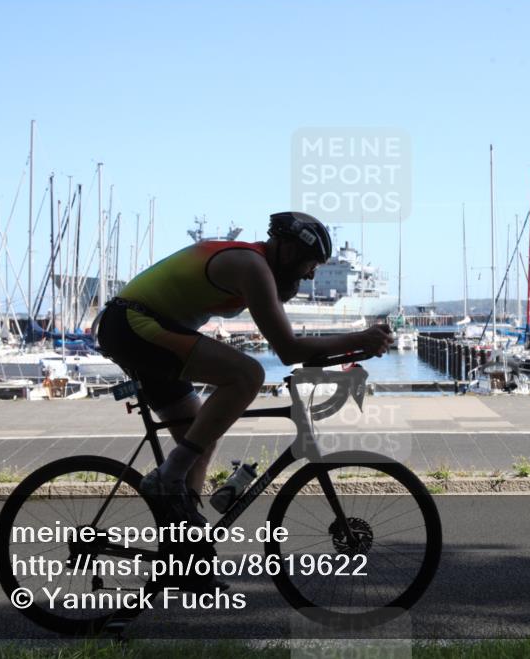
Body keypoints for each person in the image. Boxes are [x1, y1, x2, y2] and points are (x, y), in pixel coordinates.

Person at [96, 212, 393, 527]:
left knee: (200, 438)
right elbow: (288, 349)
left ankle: (188, 558)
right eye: (310, 264)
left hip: (139, 329)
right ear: (289, 250)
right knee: (248, 375)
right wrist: (360, 338)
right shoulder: (250, 265)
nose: (309, 276)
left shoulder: (259, 266)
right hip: (132, 325)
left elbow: (295, 345)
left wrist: (359, 348)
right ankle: (167, 476)